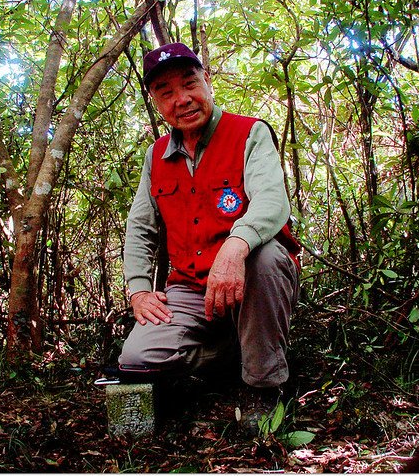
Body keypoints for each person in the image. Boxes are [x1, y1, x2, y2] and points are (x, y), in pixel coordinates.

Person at [118, 42, 301, 431]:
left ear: (207, 80)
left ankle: (264, 386)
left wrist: (236, 246)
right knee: (135, 359)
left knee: (266, 256)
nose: (181, 100)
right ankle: (237, 352)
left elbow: (272, 200)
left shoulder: (249, 133)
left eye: (189, 84)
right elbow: (140, 228)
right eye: (166, 93)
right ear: (155, 102)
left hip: (250, 279)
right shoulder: (156, 157)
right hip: (189, 289)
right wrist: (138, 290)